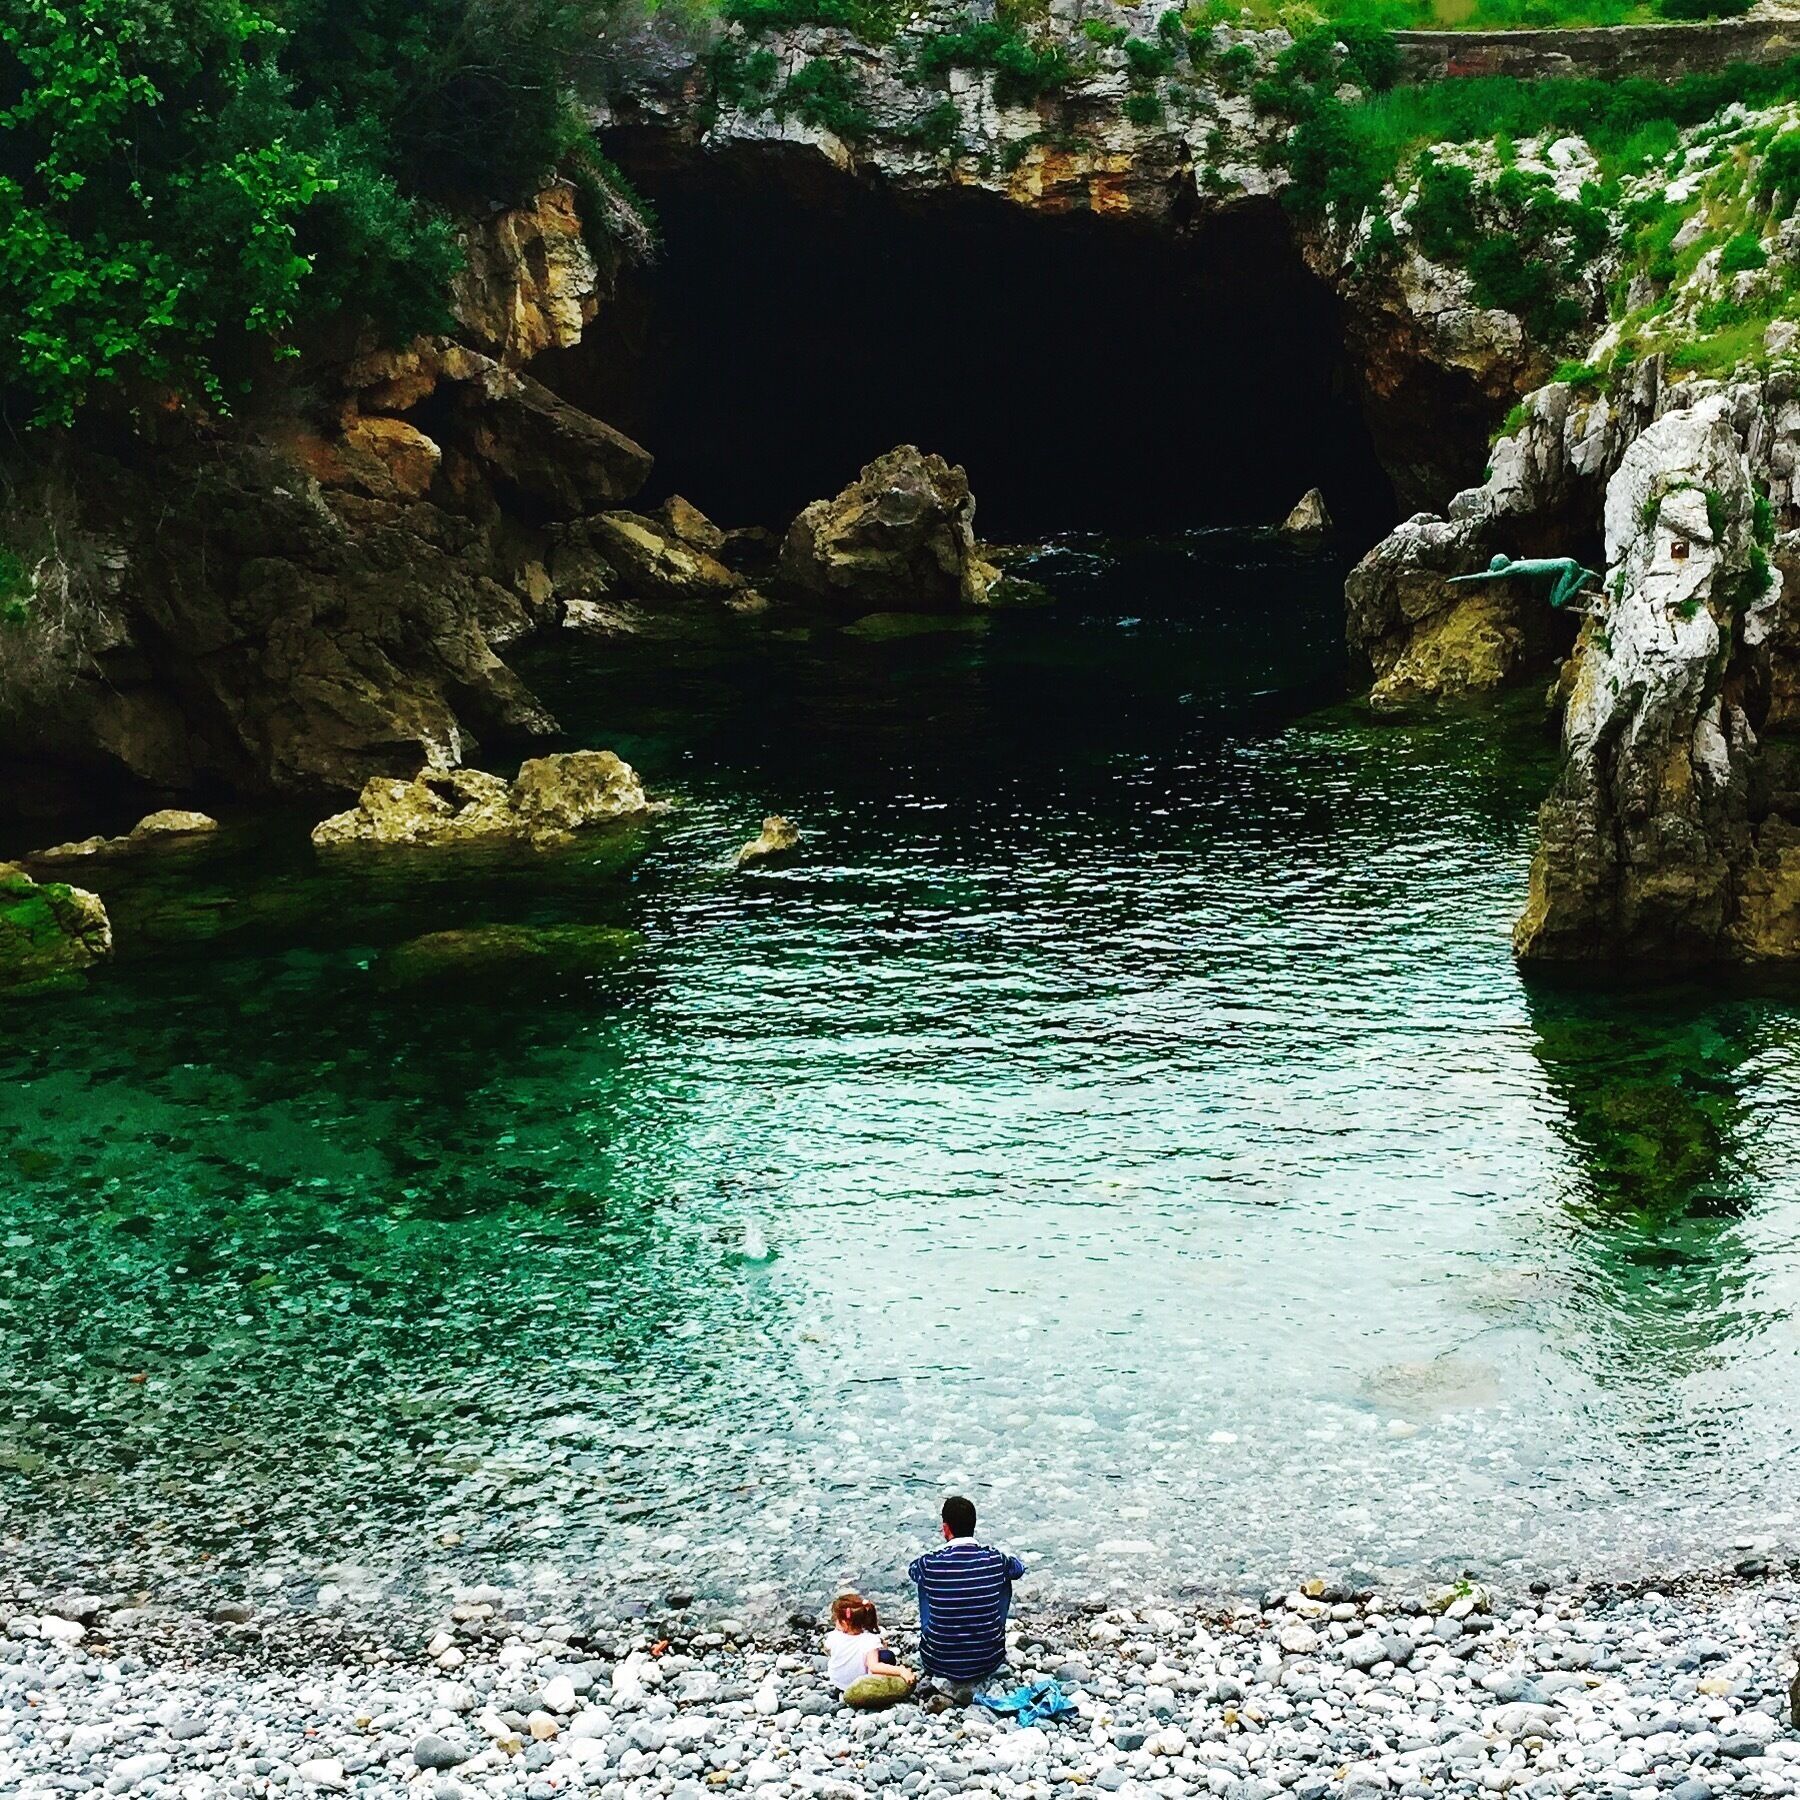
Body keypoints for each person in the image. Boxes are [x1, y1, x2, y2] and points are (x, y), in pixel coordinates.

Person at [907, 1495, 1026, 1689]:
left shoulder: (929, 1563)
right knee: (1006, 1577)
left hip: (937, 1660)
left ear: (946, 1528)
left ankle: (937, 1635)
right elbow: (1019, 1569)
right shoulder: (995, 1558)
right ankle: (989, 1633)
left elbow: (912, 1571)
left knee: (924, 1581)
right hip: (988, 1659)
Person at [1449, 552, 1601, 613]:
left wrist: (1461, 578)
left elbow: (1486, 577)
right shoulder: (1515, 564)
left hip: (1567, 567)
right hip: (1563, 566)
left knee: (1556, 603)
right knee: (1552, 599)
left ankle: (1583, 577)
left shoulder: (1513, 569)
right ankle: (1581, 574)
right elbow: (1493, 573)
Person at [824, 1592, 913, 1693]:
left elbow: (827, 1648)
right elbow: (874, 1666)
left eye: (835, 1619)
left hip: (838, 1681)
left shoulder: (833, 1636)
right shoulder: (870, 1640)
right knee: (887, 1656)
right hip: (861, 1685)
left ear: (844, 1623)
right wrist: (901, 1671)